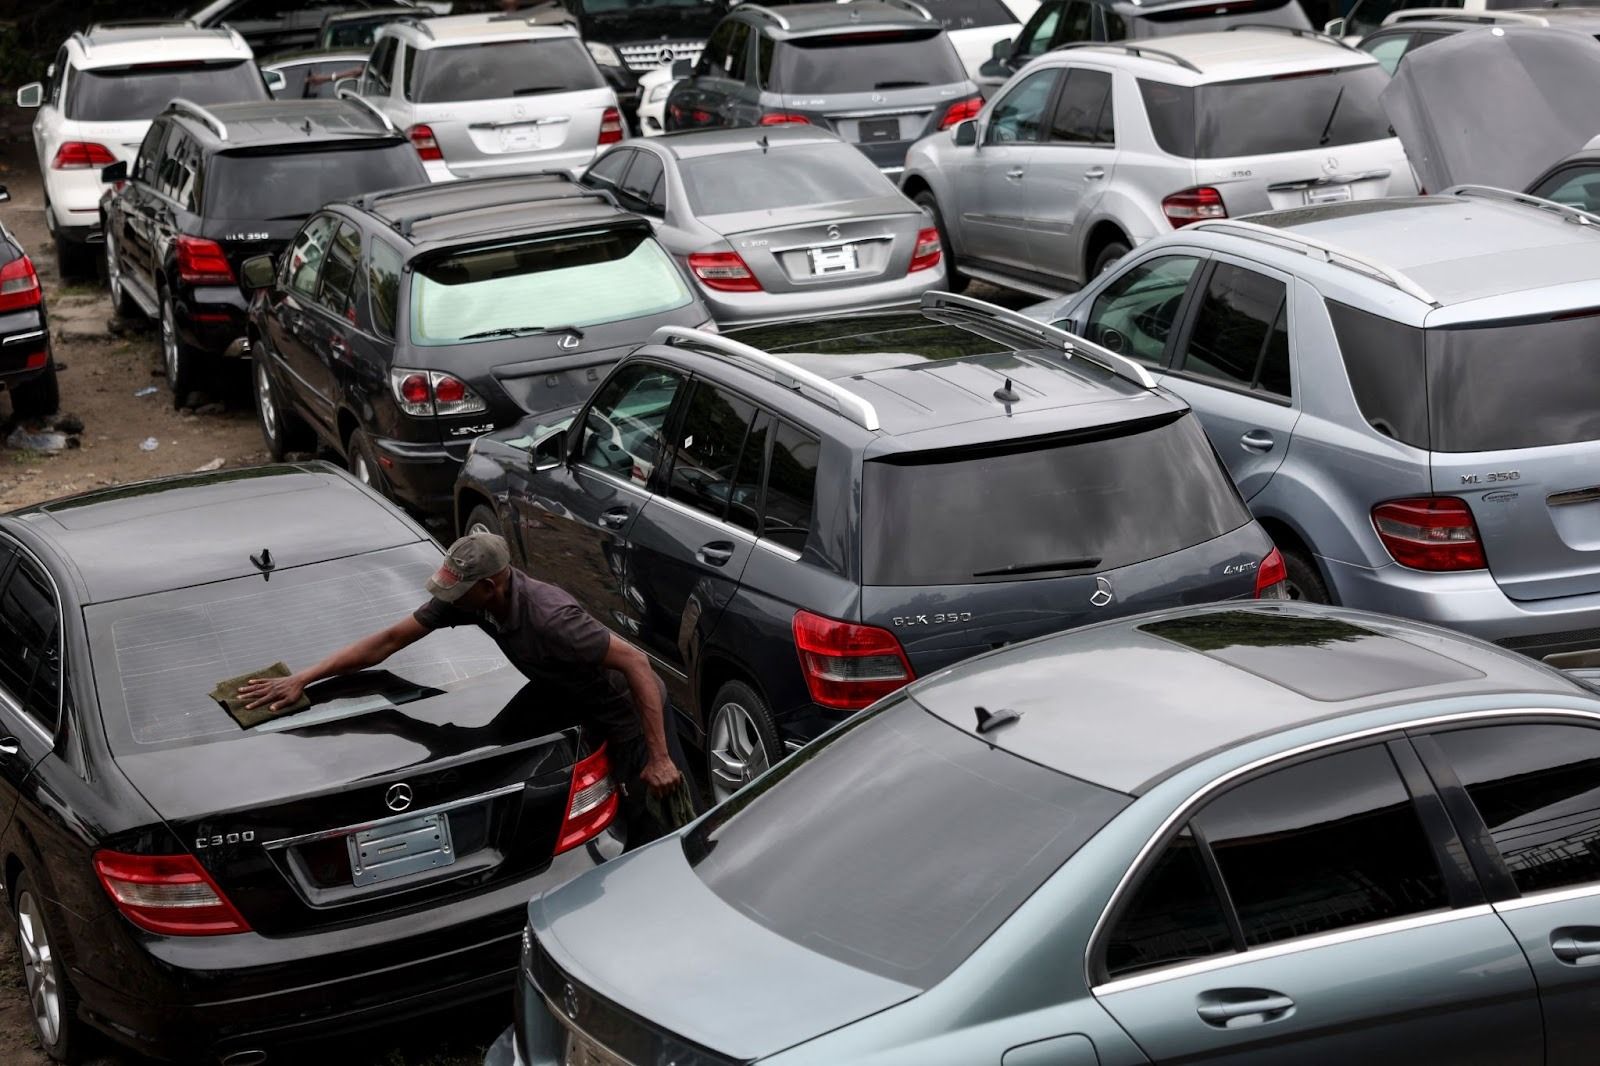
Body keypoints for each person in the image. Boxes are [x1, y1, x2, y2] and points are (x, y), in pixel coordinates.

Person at [238, 532, 689, 846]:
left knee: (653, 825)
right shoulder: (472, 601)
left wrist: (660, 756)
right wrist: (304, 677)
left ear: (490, 587)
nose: (447, 598)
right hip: (571, 700)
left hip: (630, 714)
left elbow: (637, 663)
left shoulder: (552, 620)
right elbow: (390, 641)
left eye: (458, 591)